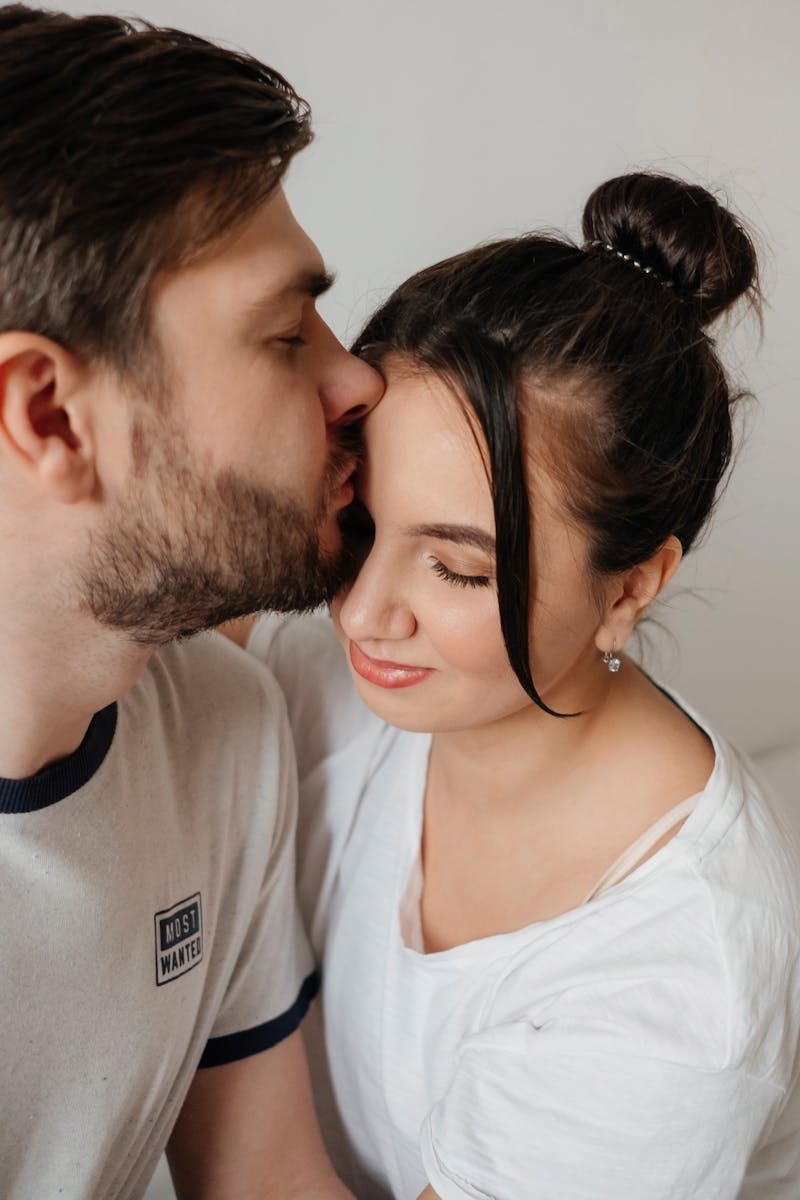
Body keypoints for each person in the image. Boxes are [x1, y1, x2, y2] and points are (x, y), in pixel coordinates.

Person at [236, 173, 800, 1198]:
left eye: (457, 569)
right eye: (360, 522)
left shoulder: (672, 983)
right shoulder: (332, 685)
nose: (362, 614)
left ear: (629, 588)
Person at [0, 5, 382, 1199]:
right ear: (49, 416)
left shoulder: (220, 723)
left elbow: (265, 1177)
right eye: (282, 334)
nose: (357, 378)